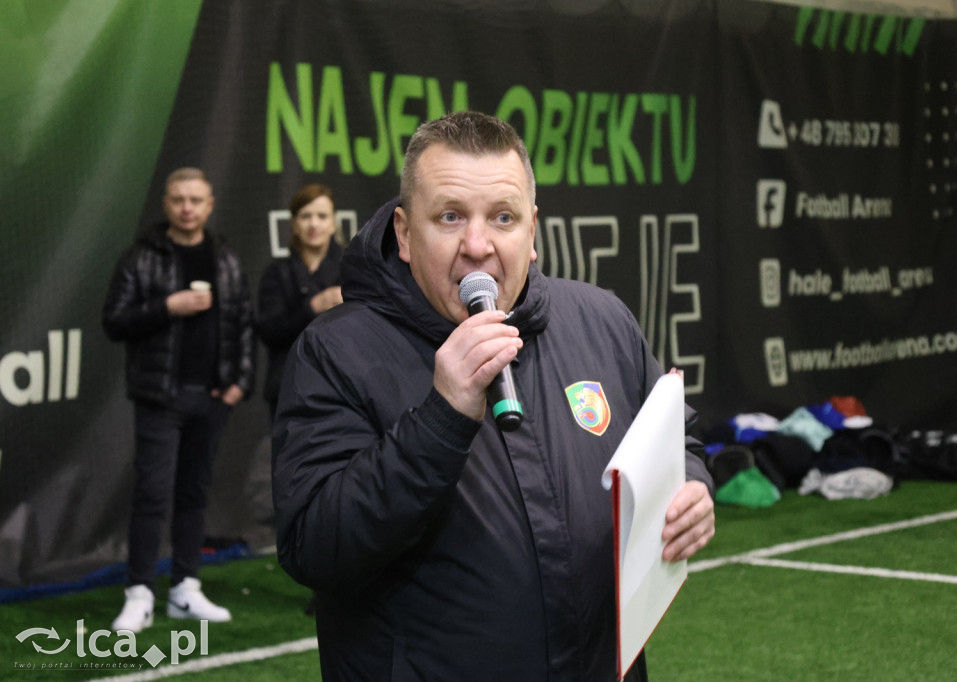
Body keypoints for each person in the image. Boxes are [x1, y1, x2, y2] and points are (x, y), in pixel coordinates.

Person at [272, 112, 715, 681]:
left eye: (502, 217)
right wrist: (441, 418)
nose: (477, 246)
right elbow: (314, 548)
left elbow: (676, 437)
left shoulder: (600, 319)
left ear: (532, 232)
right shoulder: (336, 351)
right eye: (450, 217)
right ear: (405, 234)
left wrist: (691, 489)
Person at [102, 167, 255, 633]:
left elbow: (242, 323)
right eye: (178, 200)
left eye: (195, 200)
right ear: (166, 204)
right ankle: (139, 593)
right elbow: (114, 320)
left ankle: (185, 587)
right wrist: (168, 306)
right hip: (159, 397)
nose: (187, 208)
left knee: (194, 493)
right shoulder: (141, 258)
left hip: (211, 398)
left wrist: (239, 382)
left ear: (209, 205)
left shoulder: (225, 258)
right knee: (151, 494)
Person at [256, 183, 344, 420]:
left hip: (342, 386)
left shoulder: (352, 270)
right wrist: (312, 307)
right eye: (306, 216)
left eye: (322, 216)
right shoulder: (277, 272)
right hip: (288, 387)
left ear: (333, 222)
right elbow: (269, 331)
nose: (314, 224)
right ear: (294, 223)